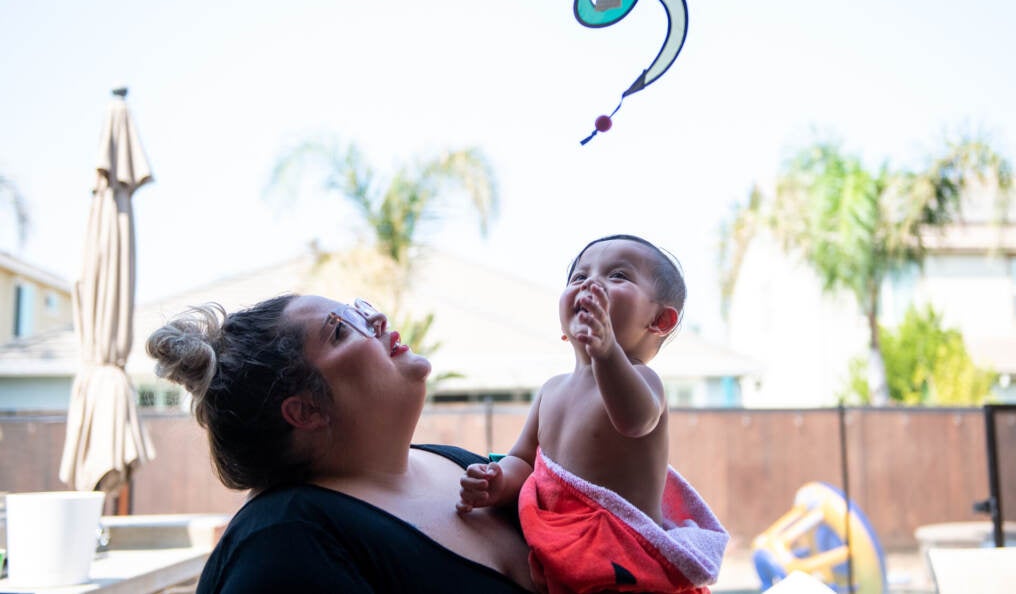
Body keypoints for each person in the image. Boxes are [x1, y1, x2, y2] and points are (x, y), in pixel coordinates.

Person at [146, 294, 533, 593]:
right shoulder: (283, 547)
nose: (377, 319)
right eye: (341, 329)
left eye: (358, 310)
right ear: (306, 410)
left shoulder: (463, 466)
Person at [456, 234, 729, 594]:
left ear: (660, 319)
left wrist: (607, 351)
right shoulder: (551, 390)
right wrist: (498, 480)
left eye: (618, 275)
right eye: (578, 277)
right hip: (563, 552)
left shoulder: (644, 382)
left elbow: (634, 420)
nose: (591, 283)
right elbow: (523, 460)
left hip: (623, 562)